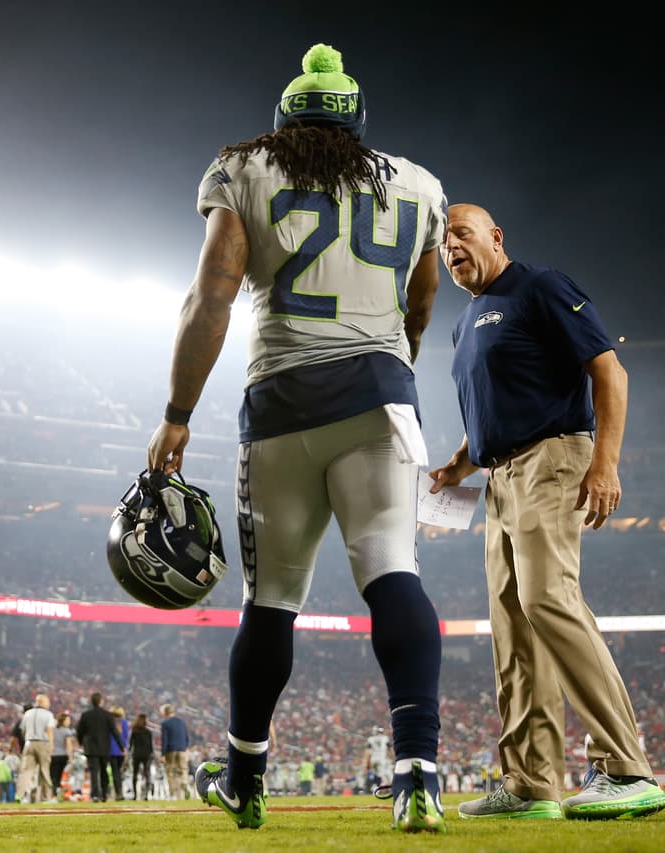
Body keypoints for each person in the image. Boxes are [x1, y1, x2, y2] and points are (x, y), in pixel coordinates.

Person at [146, 43, 447, 834]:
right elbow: (421, 304)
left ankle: (245, 777)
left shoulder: (244, 167)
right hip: (381, 397)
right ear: (357, 120)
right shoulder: (417, 183)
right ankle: (418, 773)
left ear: (286, 118)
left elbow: (213, 292)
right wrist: (392, 369)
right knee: (391, 567)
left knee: (270, 601)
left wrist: (177, 413)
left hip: (281, 401)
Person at [429, 202, 665, 821]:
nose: (450, 246)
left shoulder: (539, 286)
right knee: (511, 628)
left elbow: (609, 373)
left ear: (495, 237)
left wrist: (606, 463)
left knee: (547, 599)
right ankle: (532, 783)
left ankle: (626, 767)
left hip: (551, 458)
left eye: (461, 233)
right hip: (500, 477)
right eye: (441, 241)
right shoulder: (464, 322)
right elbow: (491, 406)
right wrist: (461, 463)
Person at [75, 692, 123, 803]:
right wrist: (121, 746)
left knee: (93, 772)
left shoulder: (86, 715)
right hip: (104, 748)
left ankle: (95, 795)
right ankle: (104, 794)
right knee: (103, 771)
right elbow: (114, 732)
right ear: (101, 701)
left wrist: (80, 742)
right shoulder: (107, 715)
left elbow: (79, 731)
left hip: (91, 748)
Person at [16, 693, 55, 803]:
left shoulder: (27, 714)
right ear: (41, 702)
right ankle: (46, 797)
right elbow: (49, 731)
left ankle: (19, 795)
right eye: (47, 701)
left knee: (26, 771)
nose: (49, 704)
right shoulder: (48, 714)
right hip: (42, 743)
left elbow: (23, 731)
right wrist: (51, 745)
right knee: (44, 770)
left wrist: (27, 740)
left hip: (28, 743)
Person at [158, 704, 191, 801]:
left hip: (170, 750)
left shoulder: (165, 723)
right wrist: (184, 748)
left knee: (170, 772)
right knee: (183, 770)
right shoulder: (182, 722)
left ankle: (173, 794)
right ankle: (185, 783)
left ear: (165, 712)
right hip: (182, 749)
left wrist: (163, 754)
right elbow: (187, 737)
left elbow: (165, 739)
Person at [50, 712, 76, 800]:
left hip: (52, 755)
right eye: (68, 720)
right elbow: (68, 745)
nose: (69, 722)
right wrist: (71, 758)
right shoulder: (66, 731)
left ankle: (52, 794)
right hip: (62, 755)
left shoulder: (52, 730)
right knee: (59, 777)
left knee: (53, 776)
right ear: (63, 721)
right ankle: (57, 795)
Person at [129, 713, 155, 800]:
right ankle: (146, 795)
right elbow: (151, 746)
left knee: (135, 774)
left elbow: (130, 744)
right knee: (147, 774)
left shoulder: (134, 731)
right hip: (146, 755)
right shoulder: (148, 732)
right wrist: (152, 755)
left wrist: (129, 753)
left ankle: (135, 795)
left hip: (136, 754)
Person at [108, 706, 129, 800]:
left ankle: (118, 793)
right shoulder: (124, 722)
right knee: (118, 773)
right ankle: (119, 792)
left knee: (115, 772)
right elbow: (125, 736)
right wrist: (125, 749)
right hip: (121, 751)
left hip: (111, 750)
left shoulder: (109, 722)